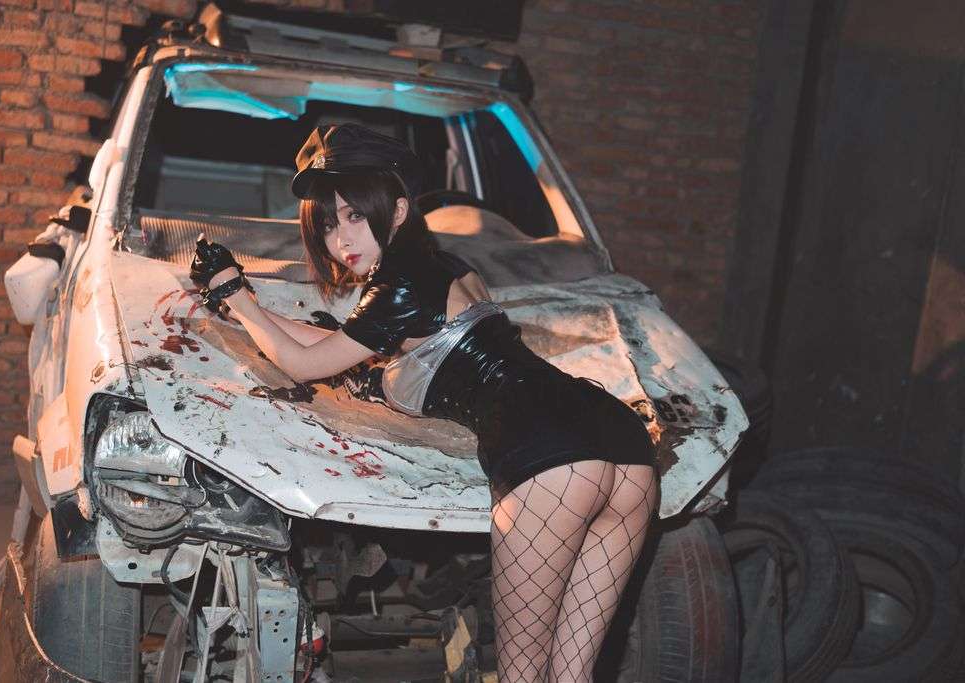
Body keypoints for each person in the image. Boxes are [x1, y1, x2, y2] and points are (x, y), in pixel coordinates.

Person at [190, 124, 658, 682]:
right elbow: (340, 346)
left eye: (355, 215)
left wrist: (235, 295)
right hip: (622, 444)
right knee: (572, 676)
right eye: (328, 224)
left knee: (523, 673)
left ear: (399, 209)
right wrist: (248, 309)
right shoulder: (447, 268)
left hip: (551, 454)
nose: (341, 239)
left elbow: (303, 364)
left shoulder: (398, 287)